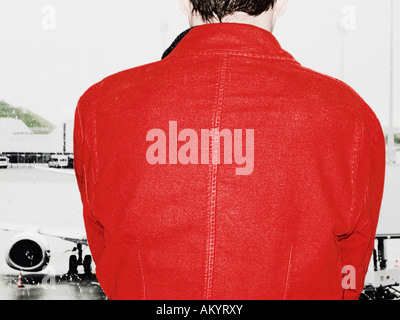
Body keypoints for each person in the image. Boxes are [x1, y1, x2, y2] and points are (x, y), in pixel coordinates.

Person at [73, 0, 386, 300]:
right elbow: (351, 264)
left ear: (184, 1)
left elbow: (104, 245)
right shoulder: (350, 114)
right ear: (281, 2)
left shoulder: (100, 105)